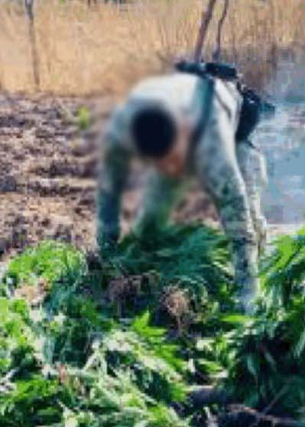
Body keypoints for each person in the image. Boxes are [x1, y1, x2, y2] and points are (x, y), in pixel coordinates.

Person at [95, 62, 272, 311]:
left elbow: (236, 209)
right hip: (180, 124)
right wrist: (106, 253)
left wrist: (248, 292)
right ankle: (142, 266)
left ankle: (261, 267)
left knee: (250, 219)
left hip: (229, 129)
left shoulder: (213, 142)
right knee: (151, 219)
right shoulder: (128, 119)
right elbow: (109, 189)